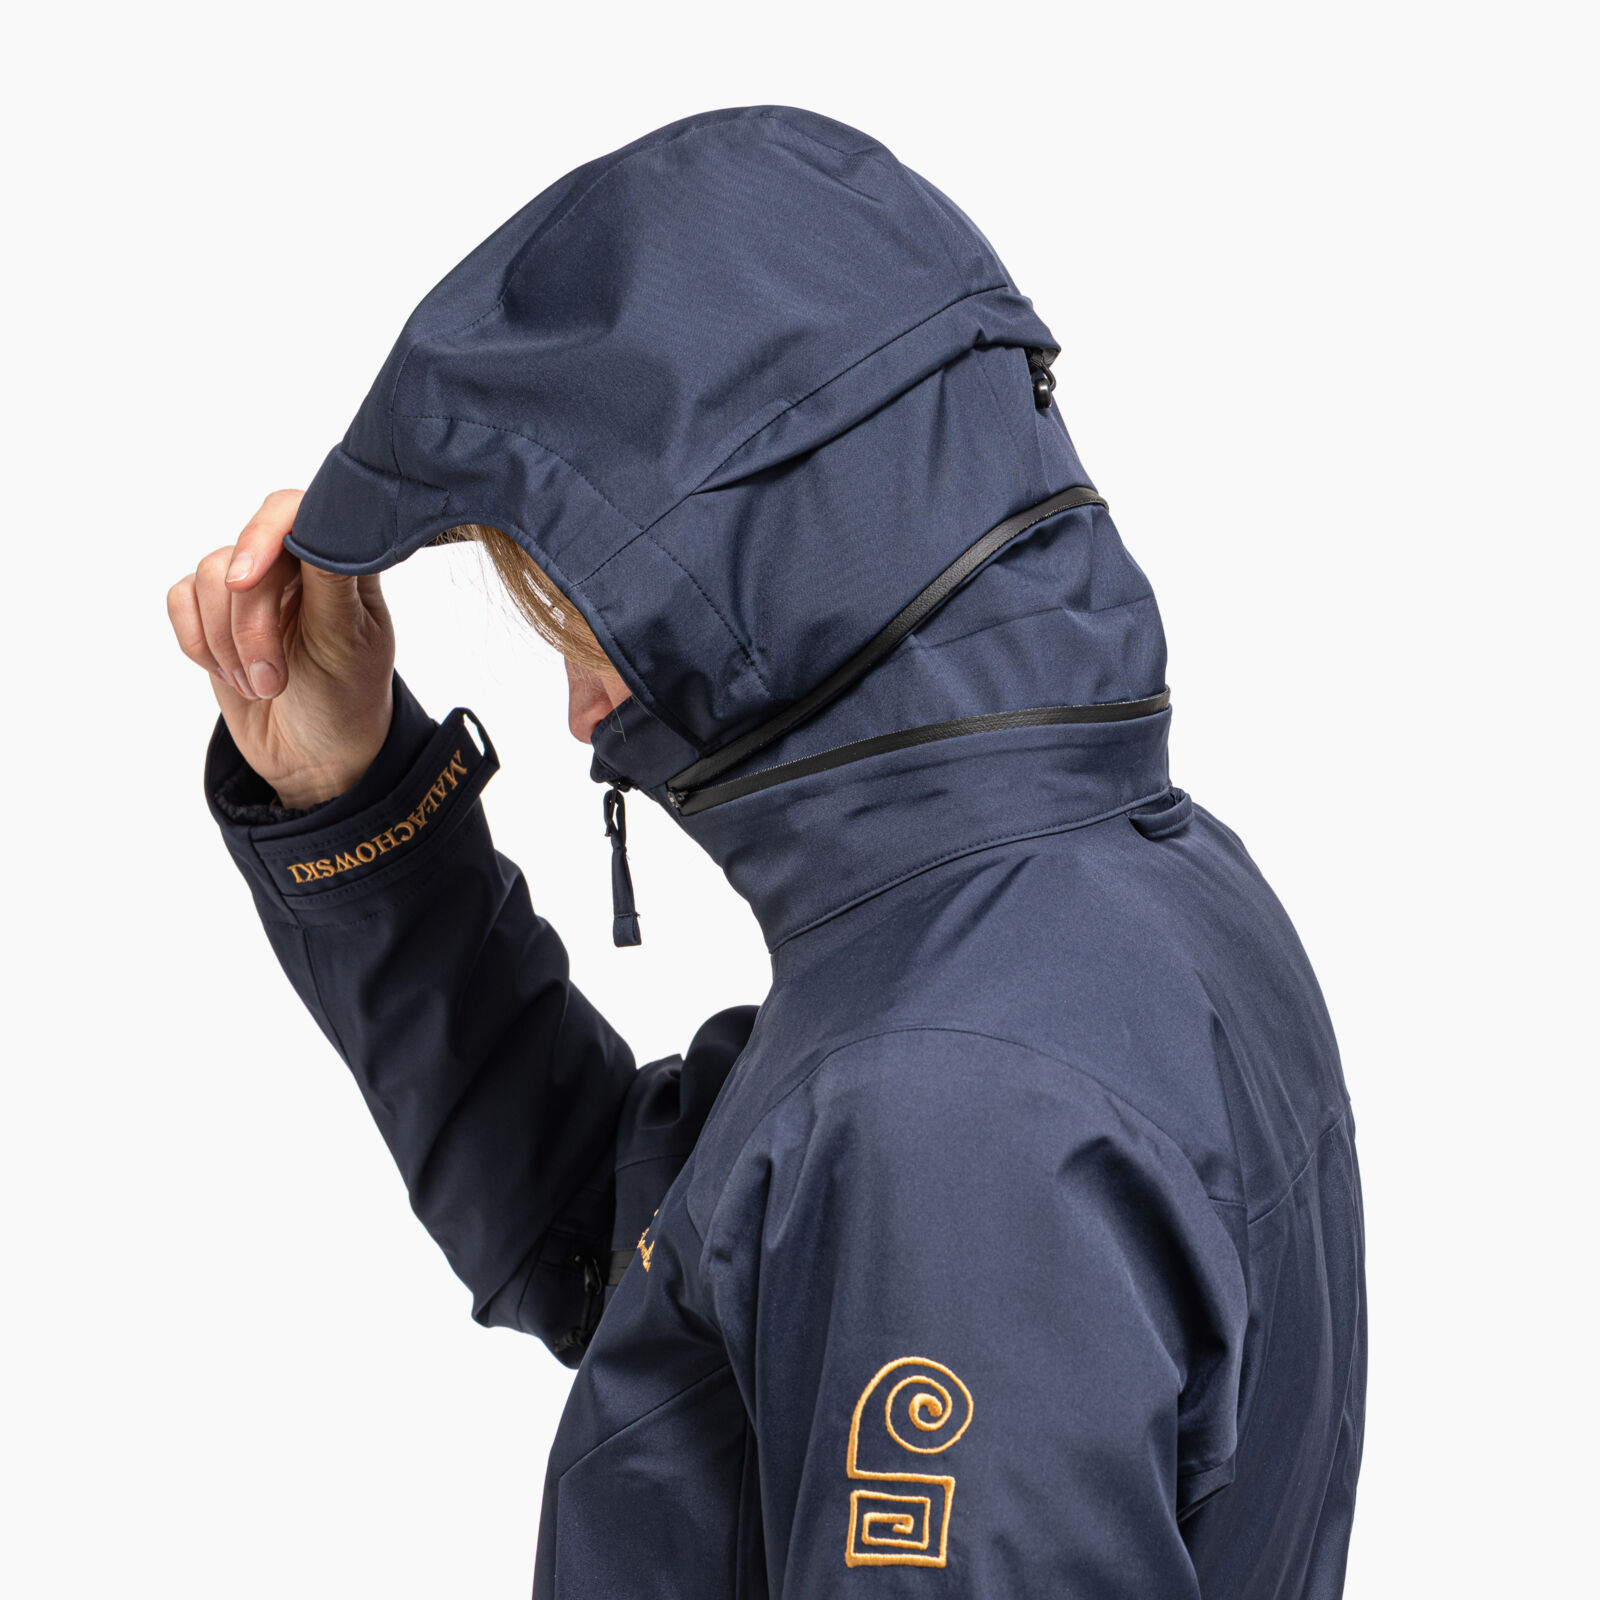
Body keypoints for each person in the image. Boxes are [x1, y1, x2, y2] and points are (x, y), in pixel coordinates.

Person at [168, 105, 1366, 1597]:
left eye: (596, 619)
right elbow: (647, 1255)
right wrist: (357, 811)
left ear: (764, 572)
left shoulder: (950, 1103)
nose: (583, 708)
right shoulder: (1117, 897)